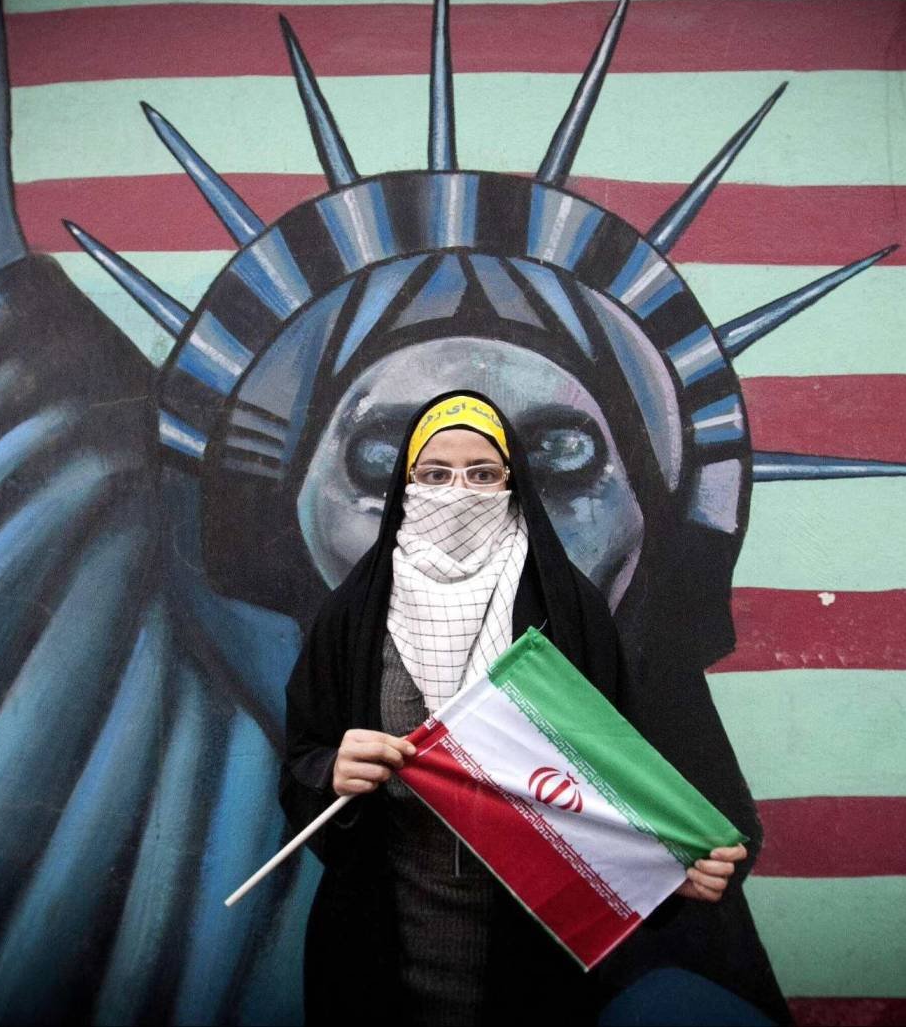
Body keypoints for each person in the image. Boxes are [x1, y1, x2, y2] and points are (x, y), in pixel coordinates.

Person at [279, 390, 792, 1025]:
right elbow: (301, 762)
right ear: (404, 486)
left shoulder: (567, 608)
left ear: (513, 482)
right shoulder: (353, 616)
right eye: (433, 475)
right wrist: (333, 770)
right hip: (380, 941)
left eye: (482, 474)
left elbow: (613, 769)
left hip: (535, 952)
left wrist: (664, 870)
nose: (458, 492)